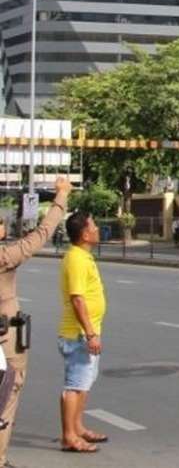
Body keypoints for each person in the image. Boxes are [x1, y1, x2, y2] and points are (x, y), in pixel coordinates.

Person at [0, 176, 72, 466]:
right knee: (9, 393)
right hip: (6, 339)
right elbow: (43, 233)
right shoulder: (6, 256)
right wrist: (62, 196)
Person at [58, 211, 107, 454]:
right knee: (74, 386)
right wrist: (89, 333)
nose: (98, 229)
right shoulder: (77, 259)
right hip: (78, 334)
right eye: (95, 225)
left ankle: (77, 427)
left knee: (83, 383)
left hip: (84, 332)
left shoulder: (82, 256)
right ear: (85, 233)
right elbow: (77, 299)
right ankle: (69, 436)